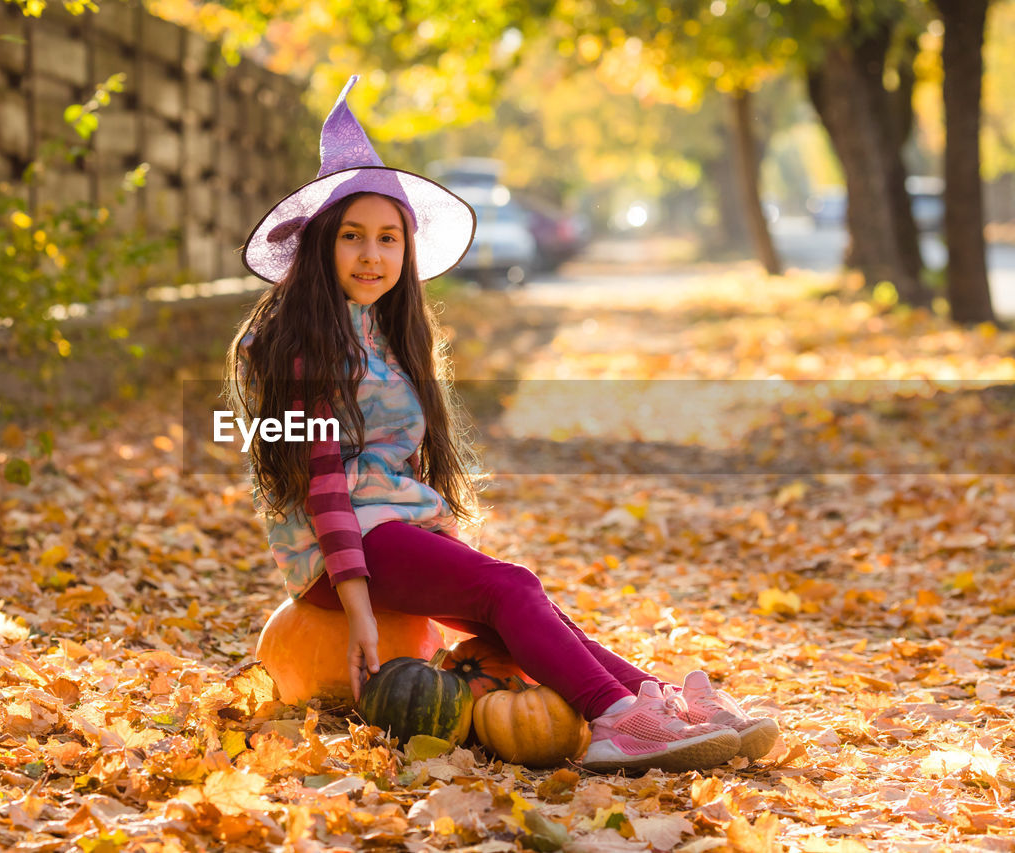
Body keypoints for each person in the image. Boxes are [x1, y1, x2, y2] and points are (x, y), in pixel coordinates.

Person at [226, 76, 779, 773]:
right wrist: (358, 608)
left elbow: (400, 468)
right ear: (320, 247)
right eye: (353, 238)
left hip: (391, 532)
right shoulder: (304, 346)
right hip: (338, 553)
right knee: (510, 586)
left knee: (517, 605)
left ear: (408, 249)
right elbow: (325, 486)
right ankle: (614, 720)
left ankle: (656, 698)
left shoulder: (389, 335)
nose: (373, 255)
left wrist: (439, 540)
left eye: (389, 238)